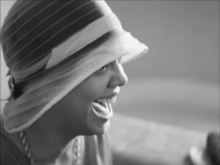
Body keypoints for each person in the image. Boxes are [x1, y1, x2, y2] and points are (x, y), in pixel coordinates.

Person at [0, 0, 148, 165]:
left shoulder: (93, 135)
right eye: (102, 66)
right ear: (48, 85)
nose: (122, 79)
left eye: (118, 59)